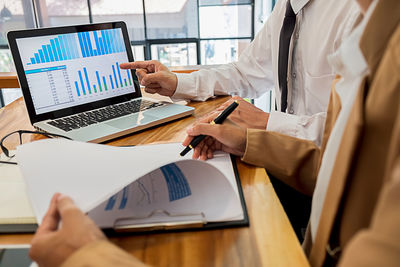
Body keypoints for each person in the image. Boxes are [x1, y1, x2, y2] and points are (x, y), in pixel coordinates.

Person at [29, 0, 400, 266]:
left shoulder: (365, 28)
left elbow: (344, 139)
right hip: (309, 216)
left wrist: (88, 257)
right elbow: (246, 73)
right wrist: (179, 84)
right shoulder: (291, 9)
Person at [120, 0, 361, 240]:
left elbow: (353, 133)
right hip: (283, 160)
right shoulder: (286, 7)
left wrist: (266, 122)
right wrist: (178, 83)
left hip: (332, 182)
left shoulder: (356, 13)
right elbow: (246, 72)